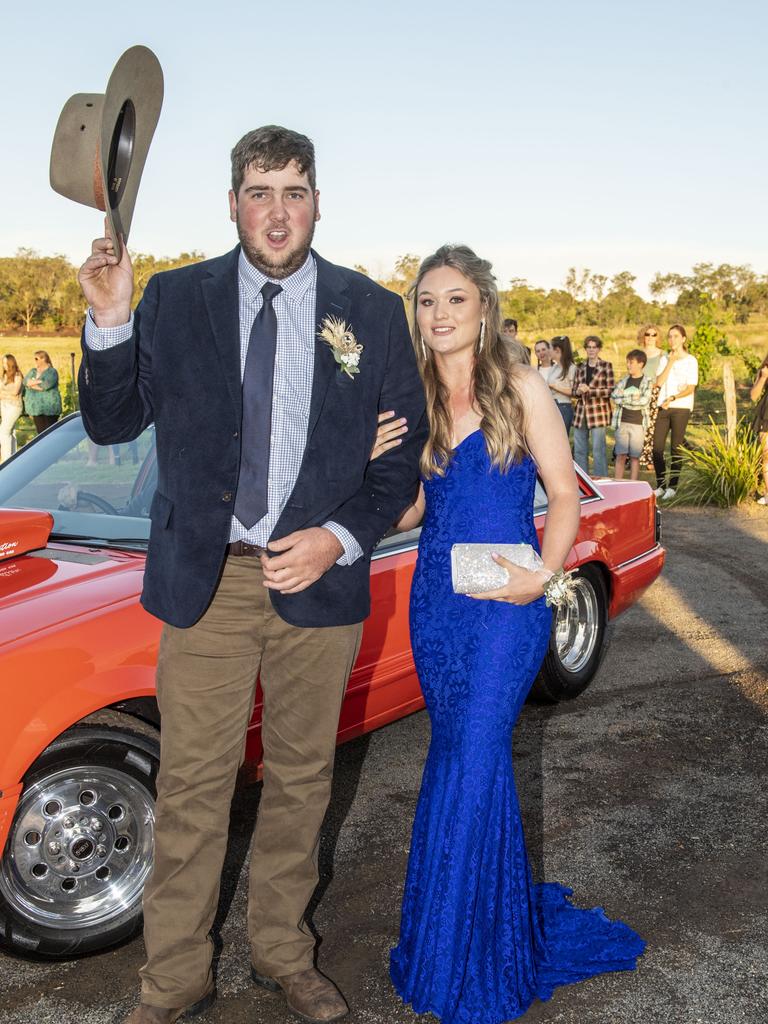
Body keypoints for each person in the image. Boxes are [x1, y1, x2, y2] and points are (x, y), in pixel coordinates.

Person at [76, 125, 427, 1024]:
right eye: (260, 191)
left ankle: (282, 953)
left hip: (319, 580)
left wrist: (339, 538)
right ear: (232, 202)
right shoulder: (173, 297)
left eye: (295, 191)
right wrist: (111, 319)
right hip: (208, 582)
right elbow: (113, 424)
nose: (278, 211)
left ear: (318, 202)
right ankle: (174, 979)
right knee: (193, 786)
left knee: (305, 777)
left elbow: (398, 464)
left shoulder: (372, 312)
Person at [377, 244, 644, 1024]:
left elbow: (564, 495)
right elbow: (411, 514)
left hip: (507, 603)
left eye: (455, 300)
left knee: (479, 753)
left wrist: (548, 575)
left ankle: (472, 954)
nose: (441, 315)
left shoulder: (520, 385)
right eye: (427, 302)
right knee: (454, 754)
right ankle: (449, 935)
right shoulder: (414, 392)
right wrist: (373, 470)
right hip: (438, 604)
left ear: (483, 308)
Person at [652, 325, 698, 500]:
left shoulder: (691, 360)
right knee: (656, 448)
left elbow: (690, 388)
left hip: (681, 407)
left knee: (676, 447)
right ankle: (661, 485)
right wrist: (670, 362)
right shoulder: (664, 358)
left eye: (676, 336)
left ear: (684, 339)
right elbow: (658, 382)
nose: (672, 340)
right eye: (670, 337)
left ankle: (673, 486)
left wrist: (673, 397)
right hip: (663, 407)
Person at [571, 335, 614, 477]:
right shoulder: (580, 367)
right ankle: (582, 481)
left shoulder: (606, 366)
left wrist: (590, 390)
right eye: (588, 347)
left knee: (598, 450)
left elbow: (610, 390)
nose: (591, 350)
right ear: (585, 349)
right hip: (581, 413)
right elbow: (575, 391)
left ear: (599, 349)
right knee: (579, 450)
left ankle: (601, 480)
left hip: (598, 413)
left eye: (594, 347)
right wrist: (577, 391)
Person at [611, 349, 652, 480]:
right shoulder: (624, 381)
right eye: (627, 362)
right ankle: (617, 483)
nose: (628, 365)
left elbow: (644, 401)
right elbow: (615, 396)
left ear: (641, 364)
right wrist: (633, 398)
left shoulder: (647, 381)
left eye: (631, 362)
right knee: (621, 455)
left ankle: (633, 484)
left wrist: (624, 399)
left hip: (638, 424)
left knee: (635, 457)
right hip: (622, 422)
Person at [638, 323, 663, 469]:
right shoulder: (638, 353)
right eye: (648, 334)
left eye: (654, 334)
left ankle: (649, 459)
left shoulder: (662, 354)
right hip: (639, 393)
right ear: (643, 336)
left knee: (651, 426)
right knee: (638, 425)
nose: (650, 337)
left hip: (654, 393)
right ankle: (635, 456)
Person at [23, 350, 61, 434]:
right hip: (36, 409)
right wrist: (39, 381)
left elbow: (45, 386)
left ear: (43, 359)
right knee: (40, 434)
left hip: (50, 409)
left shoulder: (52, 372)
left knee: (50, 433)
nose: (35, 361)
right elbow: (25, 382)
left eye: (36, 359)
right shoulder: (33, 371)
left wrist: (32, 383)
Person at [549, 334, 577, 433]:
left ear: (557, 350)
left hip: (563, 407)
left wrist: (554, 386)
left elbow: (574, 392)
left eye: (550, 348)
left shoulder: (571, 368)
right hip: (552, 406)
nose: (548, 351)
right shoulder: (554, 368)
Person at [750, 352, 768, 504]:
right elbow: (753, 395)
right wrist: (763, 377)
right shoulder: (764, 368)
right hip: (766, 413)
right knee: (766, 454)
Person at [0, 354, 24, 462]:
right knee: (11, 432)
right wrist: (8, 394)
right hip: (4, 406)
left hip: (14, 407)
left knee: (3, 431)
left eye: (6, 363)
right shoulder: (4, 376)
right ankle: (13, 457)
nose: (4, 365)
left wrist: (4, 393)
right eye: (3, 363)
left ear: (11, 363)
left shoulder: (18, 375)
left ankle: (6, 459)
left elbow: (15, 392)